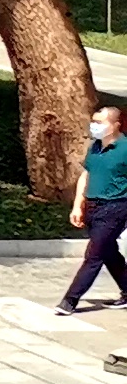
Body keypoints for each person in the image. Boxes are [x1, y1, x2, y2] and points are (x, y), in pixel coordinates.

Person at [59, 99, 127, 315]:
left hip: (116, 207)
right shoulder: (95, 147)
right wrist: (78, 205)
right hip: (93, 206)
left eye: (100, 122)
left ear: (115, 125)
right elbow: (86, 175)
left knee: (94, 254)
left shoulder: (125, 149)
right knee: (108, 252)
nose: (94, 126)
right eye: (94, 122)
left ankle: (70, 300)